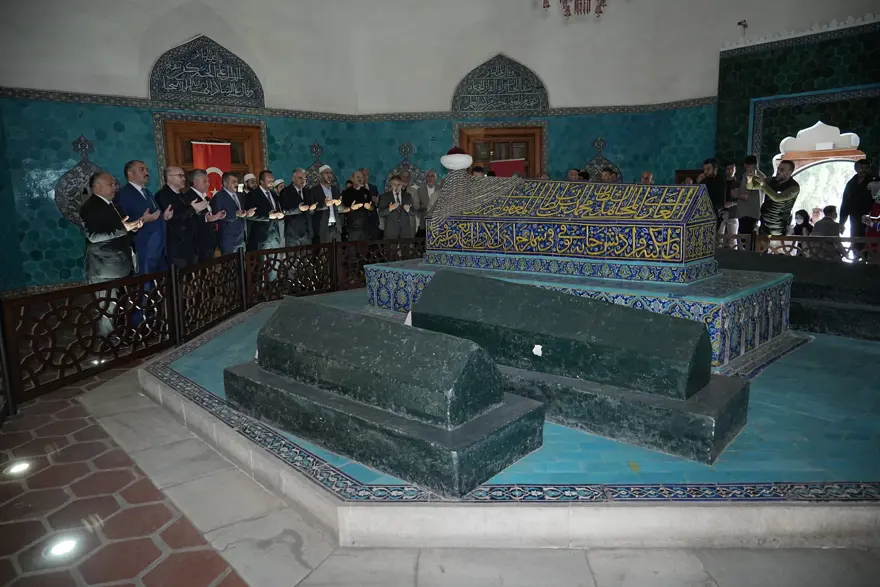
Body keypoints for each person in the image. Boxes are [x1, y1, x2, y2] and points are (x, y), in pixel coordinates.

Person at [116, 160, 172, 274]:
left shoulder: (147, 192)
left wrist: (164, 217)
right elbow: (123, 222)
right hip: (144, 247)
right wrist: (143, 220)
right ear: (131, 174)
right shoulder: (124, 194)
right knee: (146, 281)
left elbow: (153, 215)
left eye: (147, 170)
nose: (147, 173)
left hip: (159, 247)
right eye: (142, 170)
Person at [155, 166, 201, 268]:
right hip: (177, 246)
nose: (184, 178)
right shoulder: (162, 195)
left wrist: (196, 210)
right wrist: (192, 209)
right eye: (180, 176)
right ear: (169, 177)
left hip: (190, 245)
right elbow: (173, 218)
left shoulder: (183, 195)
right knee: (178, 275)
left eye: (184, 176)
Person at [187, 169, 225, 262]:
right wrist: (206, 218)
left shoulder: (206, 197)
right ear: (195, 182)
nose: (208, 184)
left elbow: (209, 217)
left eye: (208, 181)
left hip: (209, 241)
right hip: (198, 243)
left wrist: (217, 216)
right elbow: (188, 219)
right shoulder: (188, 196)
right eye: (205, 181)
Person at [212, 172, 254, 254]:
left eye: (237, 182)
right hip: (228, 239)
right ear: (225, 183)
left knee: (242, 261)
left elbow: (242, 212)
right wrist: (235, 214)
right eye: (233, 182)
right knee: (229, 262)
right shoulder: (218, 197)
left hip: (242, 238)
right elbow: (217, 216)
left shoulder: (241, 195)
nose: (236, 184)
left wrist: (247, 213)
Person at [755, 160, 800, 237]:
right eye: (778, 169)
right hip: (764, 224)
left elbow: (777, 197)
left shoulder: (794, 187)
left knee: (775, 244)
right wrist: (751, 175)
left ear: (789, 172)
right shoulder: (770, 180)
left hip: (778, 228)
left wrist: (763, 184)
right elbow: (751, 186)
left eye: (782, 170)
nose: (778, 171)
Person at [245, 170, 284, 251]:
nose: (272, 183)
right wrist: (268, 215)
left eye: (272, 180)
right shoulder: (252, 195)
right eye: (269, 180)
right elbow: (250, 215)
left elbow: (277, 210)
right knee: (262, 259)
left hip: (275, 235)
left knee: (276, 258)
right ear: (261, 181)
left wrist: (280, 214)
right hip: (261, 237)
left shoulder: (273, 194)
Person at [840, 159, 879, 238]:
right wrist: (842, 222)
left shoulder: (874, 181)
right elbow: (845, 203)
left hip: (871, 216)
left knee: (870, 239)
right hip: (855, 217)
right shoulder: (851, 183)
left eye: (866, 168)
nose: (864, 170)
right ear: (856, 169)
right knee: (856, 240)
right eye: (861, 168)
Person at [279, 168, 314, 247]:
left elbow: (310, 211)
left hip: (307, 232)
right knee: (293, 255)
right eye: (300, 178)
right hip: (292, 233)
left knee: (308, 254)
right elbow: (284, 211)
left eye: (305, 178)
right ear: (293, 179)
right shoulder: (285, 192)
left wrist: (312, 209)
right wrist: (299, 209)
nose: (303, 180)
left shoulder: (307, 191)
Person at [309, 165, 343, 243]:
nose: (329, 175)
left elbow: (340, 208)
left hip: (336, 228)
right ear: (320, 175)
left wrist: (339, 204)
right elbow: (311, 211)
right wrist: (324, 205)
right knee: (324, 250)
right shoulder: (314, 190)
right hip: (322, 229)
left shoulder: (335, 189)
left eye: (330, 173)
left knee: (337, 249)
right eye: (326, 173)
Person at [379, 174, 414, 240]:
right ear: (391, 184)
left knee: (405, 247)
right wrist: (389, 209)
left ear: (402, 184)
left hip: (405, 233)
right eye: (394, 184)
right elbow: (380, 213)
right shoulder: (385, 196)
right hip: (390, 233)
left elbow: (413, 212)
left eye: (398, 184)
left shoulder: (408, 196)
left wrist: (408, 210)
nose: (396, 186)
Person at [340, 170, 372, 242]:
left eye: (362, 177)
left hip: (365, 227)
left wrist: (370, 207)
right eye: (358, 177)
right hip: (352, 228)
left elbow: (372, 207)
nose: (360, 179)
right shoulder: (346, 192)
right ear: (352, 179)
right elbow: (341, 209)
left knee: (364, 248)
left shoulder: (366, 192)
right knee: (352, 248)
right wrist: (351, 208)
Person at [697, 158, 728, 231]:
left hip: (714, 213)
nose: (705, 172)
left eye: (708, 169)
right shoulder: (703, 181)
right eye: (704, 169)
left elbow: (721, 201)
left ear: (715, 169)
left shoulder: (720, 181)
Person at [413, 169, 439, 236]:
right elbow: (416, 207)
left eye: (432, 176)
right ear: (426, 178)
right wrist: (422, 207)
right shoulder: (420, 190)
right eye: (428, 176)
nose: (430, 178)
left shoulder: (440, 189)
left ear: (435, 178)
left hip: (437, 223)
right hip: (424, 223)